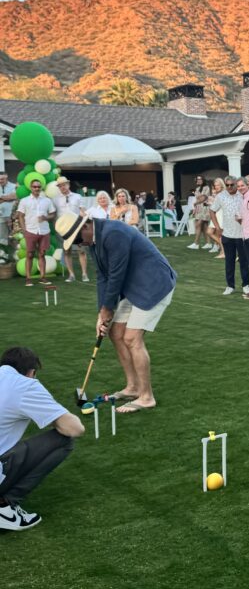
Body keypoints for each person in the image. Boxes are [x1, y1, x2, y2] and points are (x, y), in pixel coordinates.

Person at [55, 211, 177, 413]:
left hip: (153, 284)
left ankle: (146, 397)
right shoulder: (94, 240)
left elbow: (116, 275)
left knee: (131, 338)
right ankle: (133, 387)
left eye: (77, 239)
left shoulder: (114, 233)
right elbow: (103, 276)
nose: (79, 244)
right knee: (115, 333)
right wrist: (101, 314)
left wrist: (108, 308)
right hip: (133, 286)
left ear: (86, 226)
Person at [0, 347, 85, 531]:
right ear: (32, 372)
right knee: (63, 440)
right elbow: (74, 428)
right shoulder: (26, 385)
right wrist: (52, 416)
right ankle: (4, 508)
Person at [210, 176, 249, 296]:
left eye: (232, 185)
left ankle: (246, 285)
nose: (229, 187)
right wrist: (217, 227)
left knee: (244, 261)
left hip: (242, 234)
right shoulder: (221, 196)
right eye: (227, 185)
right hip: (227, 233)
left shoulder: (242, 195)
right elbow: (212, 211)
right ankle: (230, 285)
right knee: (229, 261)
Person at [17, 178, 56, 286]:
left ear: (41, 188)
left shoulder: (47, 200)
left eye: (38, 187)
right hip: (30, 230)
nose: (37, 188)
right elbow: (20, 216)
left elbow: (53, 214)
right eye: (34, 186)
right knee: (29, 254)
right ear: (31, 188)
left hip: (44, 231)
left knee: (42, 254)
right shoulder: (24, 200)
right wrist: (24, 230)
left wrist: (46, 217)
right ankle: (28, 278)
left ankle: (42, 277)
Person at [53, 176, 90, 283]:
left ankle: (84, 274)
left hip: (77, 227)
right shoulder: (55, 199)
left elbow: (82, 210)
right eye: (60, 186)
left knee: (81, 251)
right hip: (64, 229)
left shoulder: (77, 196)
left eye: (64, 185)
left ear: (68, 185)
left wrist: (84, 222)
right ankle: (71, 275)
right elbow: (54, 213)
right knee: (66, 251)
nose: (62, 187)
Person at [189, 175, 211, 249]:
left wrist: (195, 203)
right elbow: (199, 198)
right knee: (204, 226)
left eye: (200, 179)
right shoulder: (197, 188)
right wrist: (196, 202)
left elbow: (203, 198)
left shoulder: (206, 187)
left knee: (198, 224)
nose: (198, 180)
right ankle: (208, 243)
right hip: (198, 208)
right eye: (197, 179)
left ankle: (196, 243)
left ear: (203, 180)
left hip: (204, 209)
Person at [207, 178, 226, 257]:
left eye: (218, 185)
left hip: (220, 215)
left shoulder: (224, 193)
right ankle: (224, 250)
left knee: (219, 234)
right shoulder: (216, 194)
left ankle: (223, 252)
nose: (216, 186)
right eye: (215, 185)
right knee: (209, 232)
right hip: (215, 215)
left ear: (221, 185)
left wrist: (213, 200)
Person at [0, 171, 16, 247]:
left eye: (2, 179)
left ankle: (14, 255)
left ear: (6, 177)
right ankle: (4, 256)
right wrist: (9, 198)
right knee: (2, 237)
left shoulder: (13, 186)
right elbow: (11, 197)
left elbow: (15, 196)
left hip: (12, 216)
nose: (0, 181)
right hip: (1, 216)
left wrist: (2, 198)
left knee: (15, 235)